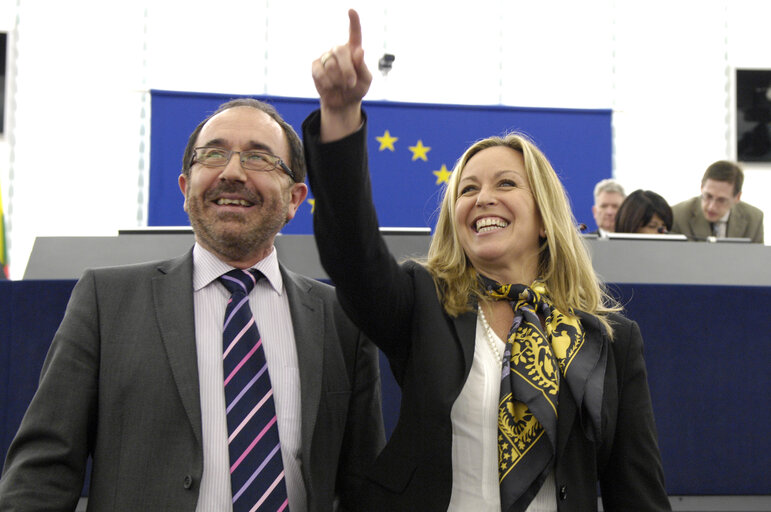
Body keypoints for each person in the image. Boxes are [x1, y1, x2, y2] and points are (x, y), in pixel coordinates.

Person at [302, 10, 670, 512]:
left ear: (544, 219)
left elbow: (637, 488)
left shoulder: (609, 340)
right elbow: (351, 255)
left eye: (506, 184)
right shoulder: (421, 301)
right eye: (467, 189)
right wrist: (341, 116)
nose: (482, 199)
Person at [0, 98, 385, 511]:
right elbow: (42, 475)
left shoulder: (341, 319)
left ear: (294, 199)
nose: (232, 172)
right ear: (186, 189)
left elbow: (365, 488)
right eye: (213, 154)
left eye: (258, 157)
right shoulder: (105, 302)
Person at [671, 160, 764, 242]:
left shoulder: (754, 220)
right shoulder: (678, 215)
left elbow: (756, 260)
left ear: (737, 197)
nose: (711, 206)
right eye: (708, 196)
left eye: (721, 200)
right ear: (701, 188)